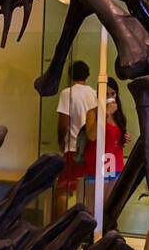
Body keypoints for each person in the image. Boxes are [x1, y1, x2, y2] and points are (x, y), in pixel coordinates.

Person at [54, 61, 98, 216]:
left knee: (63, 190)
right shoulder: (94, 93)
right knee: (86, 193)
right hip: (90, 149)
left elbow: (63, 123)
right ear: (87, 75)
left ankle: (58, 228)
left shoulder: (67, 93)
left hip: (73, 147)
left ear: (70, 75)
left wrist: (61, 142)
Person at [81, 80, 127, 214]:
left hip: (114, 163)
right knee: (94, 209)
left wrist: (124, 137)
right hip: (97, 164)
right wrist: (105, 114)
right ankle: (91, 234)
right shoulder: (93, 113)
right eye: (106, 94)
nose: (110, 97)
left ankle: (105, 234)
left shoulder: (118, 115)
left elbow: (115, 138)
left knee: (109, 208)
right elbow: (91, 136)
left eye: (113, 93)